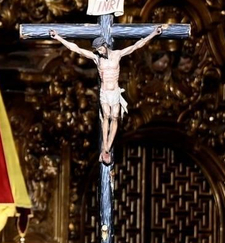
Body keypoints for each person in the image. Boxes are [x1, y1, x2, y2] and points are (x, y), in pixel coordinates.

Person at [49, 25, 164, 165]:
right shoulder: (97, 59)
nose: (98, 51)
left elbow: (136, 46)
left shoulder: (117, 54)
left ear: (104, 45)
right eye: (97, 50)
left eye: (99, 49)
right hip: (105, 92)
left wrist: (153, 33)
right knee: (106, 116)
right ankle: (105, 146)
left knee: (115, 116)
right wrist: (59, 37)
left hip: (115, 92)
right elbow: (76, 49)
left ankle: (107, 147)